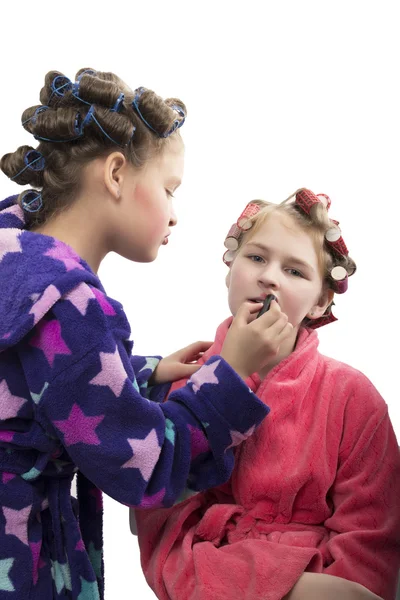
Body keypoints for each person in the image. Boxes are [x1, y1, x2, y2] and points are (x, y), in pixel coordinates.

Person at [0, 68, 289, 599]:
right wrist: (229, 378)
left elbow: (36, 379)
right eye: (168, 189)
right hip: (23, 559)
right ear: (115, 174)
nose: (175, 215)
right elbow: (145, 463)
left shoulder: (16, 260)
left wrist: (146, 372)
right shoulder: (69, 303)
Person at [134, 189, 400, 600]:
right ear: (230, 270)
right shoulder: (183, 382)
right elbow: (162, 525)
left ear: (320, 302)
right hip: (208, 578)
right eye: (256, 258)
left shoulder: (353, 397)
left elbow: (372, 534)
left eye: (295, 271)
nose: (269, 277)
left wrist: (327, 588)